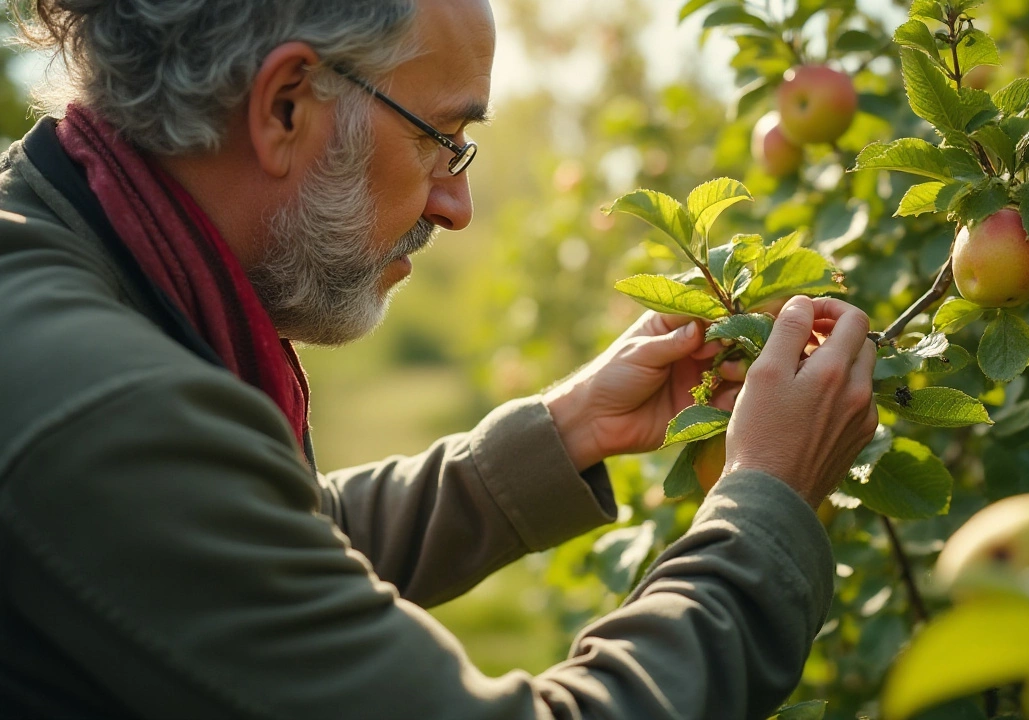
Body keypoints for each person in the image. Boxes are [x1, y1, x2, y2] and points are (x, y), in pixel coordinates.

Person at [0, 0, 880, 717]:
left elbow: (243, 559)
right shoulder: (101, 404)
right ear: (286, 106)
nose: (457, 204)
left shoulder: (71, 273)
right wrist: (766, 505)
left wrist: (566, 430)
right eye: (441, 137)